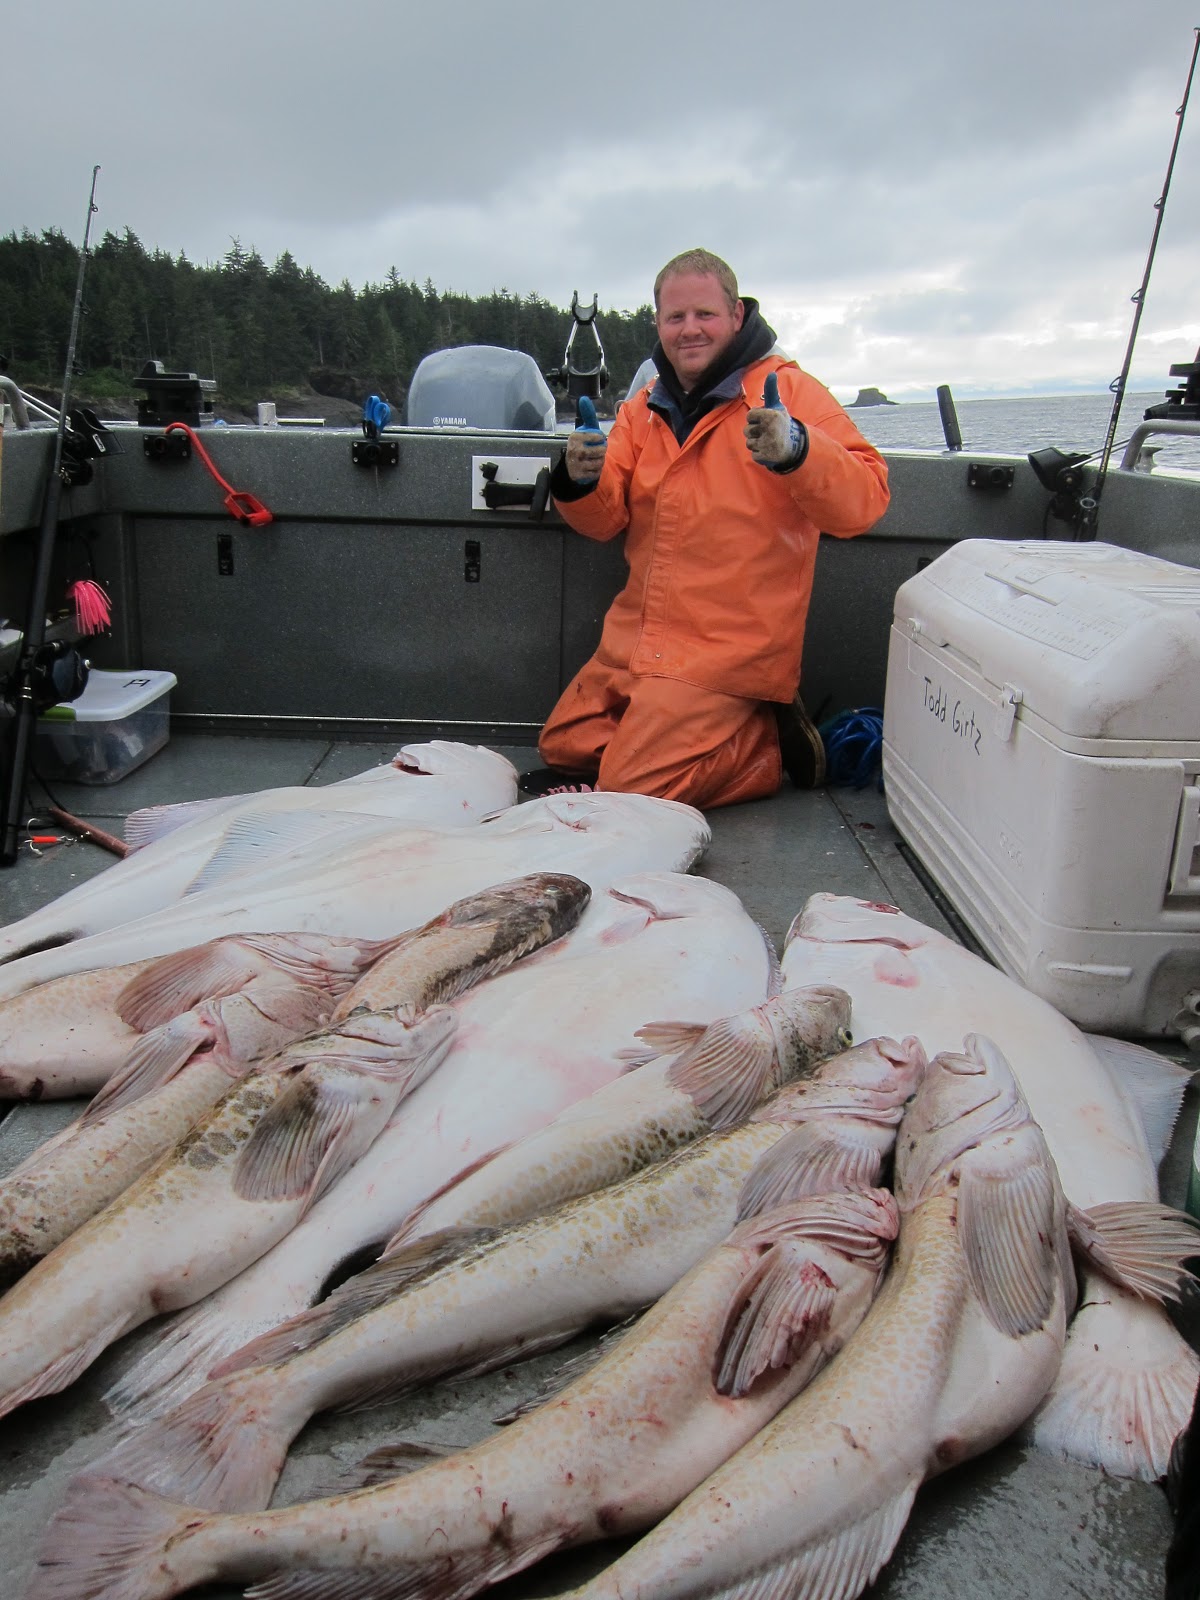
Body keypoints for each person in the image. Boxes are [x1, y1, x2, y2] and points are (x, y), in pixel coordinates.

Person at [520, 248, 890, 808]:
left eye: (705, 315)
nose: (689, 330)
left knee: (629, 789)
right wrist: (576, 479)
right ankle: (680, 739)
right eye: (675, 317)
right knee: (564, 748)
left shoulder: (792, 392)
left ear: (737, 315)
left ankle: (760, 748)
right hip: (637, 643)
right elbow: (605, 521)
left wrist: (800, 451)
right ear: (658, 325)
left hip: (726, 653)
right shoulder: (643, 407)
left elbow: (866, 500)